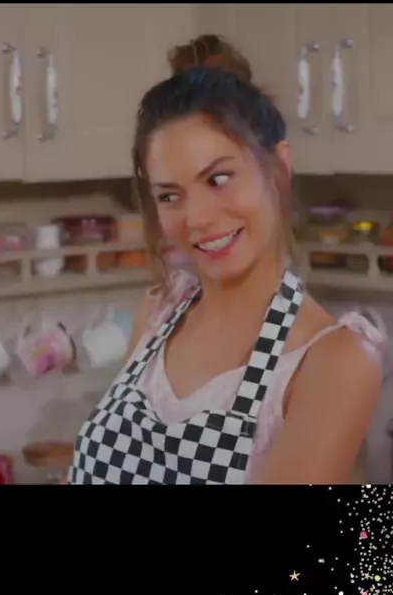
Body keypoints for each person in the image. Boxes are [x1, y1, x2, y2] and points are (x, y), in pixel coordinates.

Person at [69, 35, 384, 485]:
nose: (197, 218)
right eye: (170, 195)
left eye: (218, 179)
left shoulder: (333, 362)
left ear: (279, 168)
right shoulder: (156, 316)